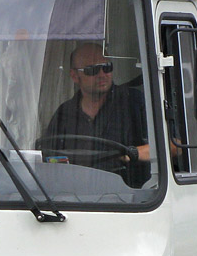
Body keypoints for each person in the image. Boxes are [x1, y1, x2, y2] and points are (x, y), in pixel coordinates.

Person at [42, 43, 150, 187]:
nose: (102, 75)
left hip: (130, 199)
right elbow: (48, 158)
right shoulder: (64, 113)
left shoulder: (135, 102)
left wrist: (131, 153)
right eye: (92, 70)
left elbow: (174, 146)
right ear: (74, 76)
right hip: (76, 199)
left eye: (107, 67)